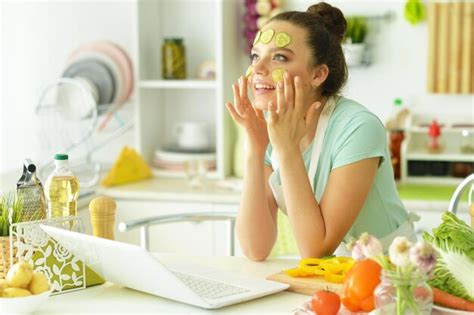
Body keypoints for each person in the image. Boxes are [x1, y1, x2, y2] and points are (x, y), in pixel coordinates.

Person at [226, 2, 417, 261]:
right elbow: (255, 248)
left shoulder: (358, 127)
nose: (258, 70)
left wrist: (287, 148)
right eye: (256, 56)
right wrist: (255, 149)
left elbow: (316, 249)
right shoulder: (272, 127)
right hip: (324, 280)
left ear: (318, 75)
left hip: (390, 277)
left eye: (279, 57)